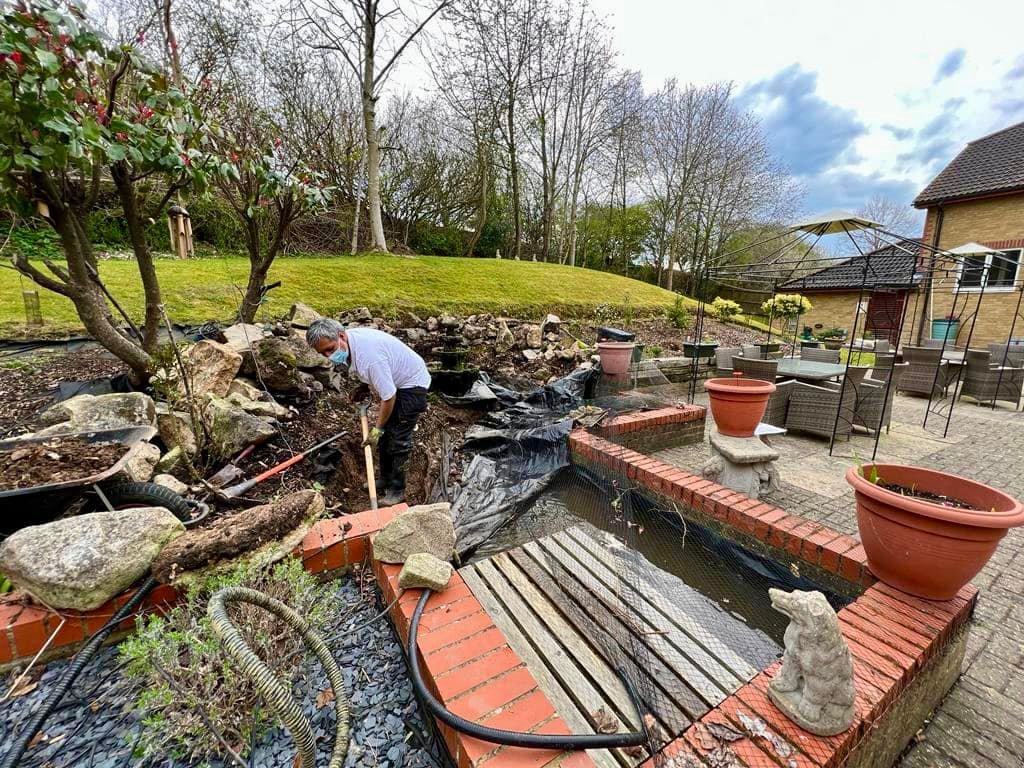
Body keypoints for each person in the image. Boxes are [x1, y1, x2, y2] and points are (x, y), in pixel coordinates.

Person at [306, 318, 431, 505]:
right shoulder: (350, 342)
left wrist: (377, 429)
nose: (329, 355)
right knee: (385, 436)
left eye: (330, 349)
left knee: (398, 439)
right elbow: (373, 373)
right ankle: (385, 479)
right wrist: (363, 386)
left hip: (413, 385)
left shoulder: (370, 358)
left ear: (341, 336)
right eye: (323, 352)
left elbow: (388, 397)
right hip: (398, 380)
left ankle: (398, 490)